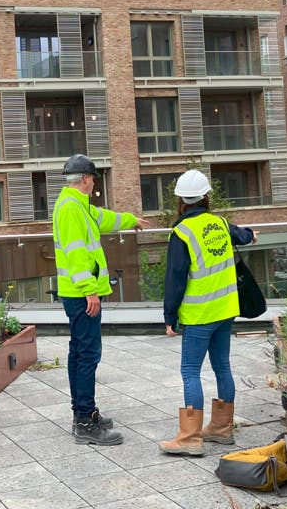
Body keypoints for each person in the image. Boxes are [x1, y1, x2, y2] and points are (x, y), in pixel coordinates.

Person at [53, 153, 150, 446]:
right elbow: (76, 252)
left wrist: (132, 220)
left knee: (79, 353)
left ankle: (84, 413)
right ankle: (84, 421)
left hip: (78, 293)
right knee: (88, 354)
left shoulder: (79, 206)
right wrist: (89, 290)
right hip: (82, 294)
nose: (95, 182)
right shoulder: (70, 208)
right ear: (85, 178)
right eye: (93, 177)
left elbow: (105, 218)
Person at [159, 169, 256, 457]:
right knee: (222, 367)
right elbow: (242, 235)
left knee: (190, 371)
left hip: (199, 314)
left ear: (180, 200)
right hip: (226, 310)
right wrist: (251, 235)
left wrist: (169, 316)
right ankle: (222, 429)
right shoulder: (219, 223)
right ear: (205, 196)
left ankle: (189, 438)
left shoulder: (181, 233)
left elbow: (175, 279)